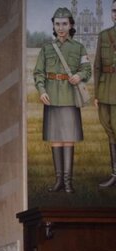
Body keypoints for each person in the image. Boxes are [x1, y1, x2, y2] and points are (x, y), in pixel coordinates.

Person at [34, 7, 91, 194]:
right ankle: (59, 181)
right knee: (55, 140)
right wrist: (41, 90)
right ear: (53, 25)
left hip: (69, 97)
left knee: (69, 140)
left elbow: (87, 70)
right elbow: (39, 72)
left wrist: (79, 76)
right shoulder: (46, 48)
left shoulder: (78, 47)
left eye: (64, 24)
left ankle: (68, 182)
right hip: (51, 97)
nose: (60, 28)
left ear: (71, 25)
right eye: (57, 24)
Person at [95, 1, 116, 189]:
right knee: (107, 127)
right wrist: (96, 94)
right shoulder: (104, 35)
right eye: (114, 11)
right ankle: (115, 174)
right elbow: (97, 66)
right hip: (105, 90)